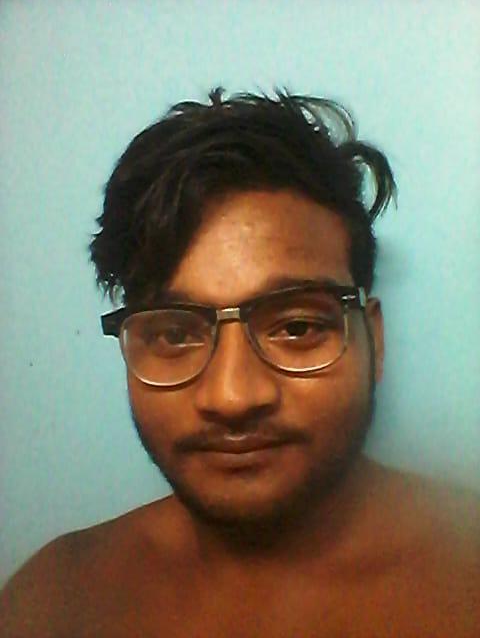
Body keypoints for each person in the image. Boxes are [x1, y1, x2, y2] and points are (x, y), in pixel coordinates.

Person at [1, 88, 479, 637]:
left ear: (373, 338)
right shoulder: (56, 600)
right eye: (174, 333)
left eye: (296, 327)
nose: (232, 397)